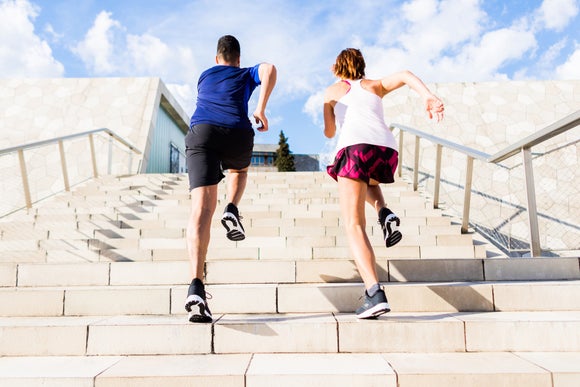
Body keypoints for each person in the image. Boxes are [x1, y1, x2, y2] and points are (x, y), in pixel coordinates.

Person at [323, 48, 444, 319]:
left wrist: (329, 108)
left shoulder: (332, 90)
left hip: (354, 147)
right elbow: (404, 74)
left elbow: (330, 131)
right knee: (367, 179)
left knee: (354, 224)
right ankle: (383, 211)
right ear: (361, 66)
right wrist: (428, 96)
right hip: (386, 150)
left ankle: (373, 292)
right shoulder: (374, 85)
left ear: (337, 67)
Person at [184, 35, 277, 323]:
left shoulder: (204, 76)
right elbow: (270, 68)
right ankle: (232, 208)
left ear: (217, 58)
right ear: (238, 58)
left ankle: (196, 286)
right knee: (238, 170)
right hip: (236, 130)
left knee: (200, 210)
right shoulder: (244, 72)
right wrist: (260, 108)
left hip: (202, 133)